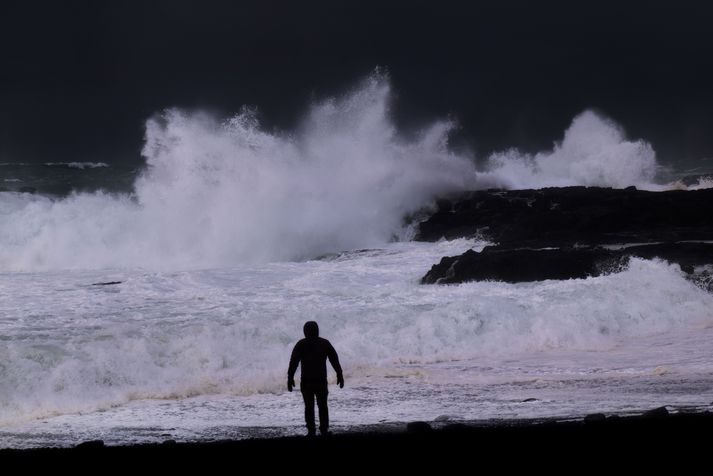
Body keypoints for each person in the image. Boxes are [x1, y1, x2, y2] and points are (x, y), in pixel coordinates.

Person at [287, 321, 344, 437]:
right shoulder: (324, 343)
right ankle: (323, 430)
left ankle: (312, 431)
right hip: (319, 380)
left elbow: (293, 362)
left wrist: (290, 377)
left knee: (310, 406)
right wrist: (339, 373)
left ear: (305, 332)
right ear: (317, 331)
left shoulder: (301, 344)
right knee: (322, 405)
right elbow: (334, 359)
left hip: (308, 381)